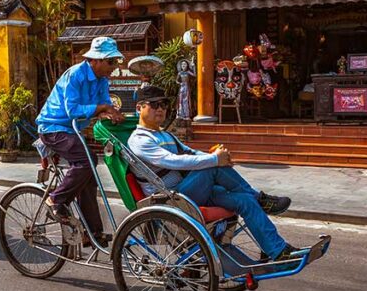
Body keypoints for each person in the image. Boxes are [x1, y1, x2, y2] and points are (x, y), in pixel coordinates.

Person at [126, 85, 305, 261]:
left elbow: (191, 153)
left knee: (245, 201)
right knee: (212, 167)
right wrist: (214, 160)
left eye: (164, 104)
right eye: (154, 104)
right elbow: (173, 161)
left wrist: (218, 157)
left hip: (190, 191)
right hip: (170, 197)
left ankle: (277, 250)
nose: (161, 109)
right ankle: (261, 199)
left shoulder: (166, 135)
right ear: (139, 107)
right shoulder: (139, 140)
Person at [36, 36, 126, 247]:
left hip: (72, 130)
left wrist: (110, 113)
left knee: (89, 178)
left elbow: (103, 104)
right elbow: (73, 111)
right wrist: (102, 109)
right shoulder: (75, 75)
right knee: (87, 161)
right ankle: (56, 199)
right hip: (53, 127)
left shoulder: (102, 80)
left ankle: (91, 232)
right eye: (111, 62)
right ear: (96, 60)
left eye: (115, 62)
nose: (114, 67)